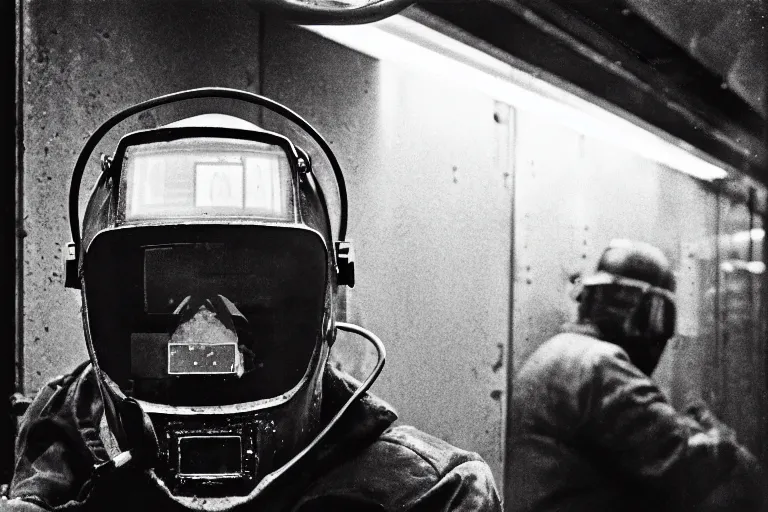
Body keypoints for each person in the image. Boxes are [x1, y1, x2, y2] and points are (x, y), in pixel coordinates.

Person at [2, 88, 502, 511]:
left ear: (323, 301)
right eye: (171, 291)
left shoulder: (429, 493)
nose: (204, 326)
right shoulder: (59, 435)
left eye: (244, 291)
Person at [507, 238, 765, 512]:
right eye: (661, 316)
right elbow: (687, 467)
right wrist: (720, 440)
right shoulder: (598, 365)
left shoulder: (557, 353)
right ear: (643, 311)